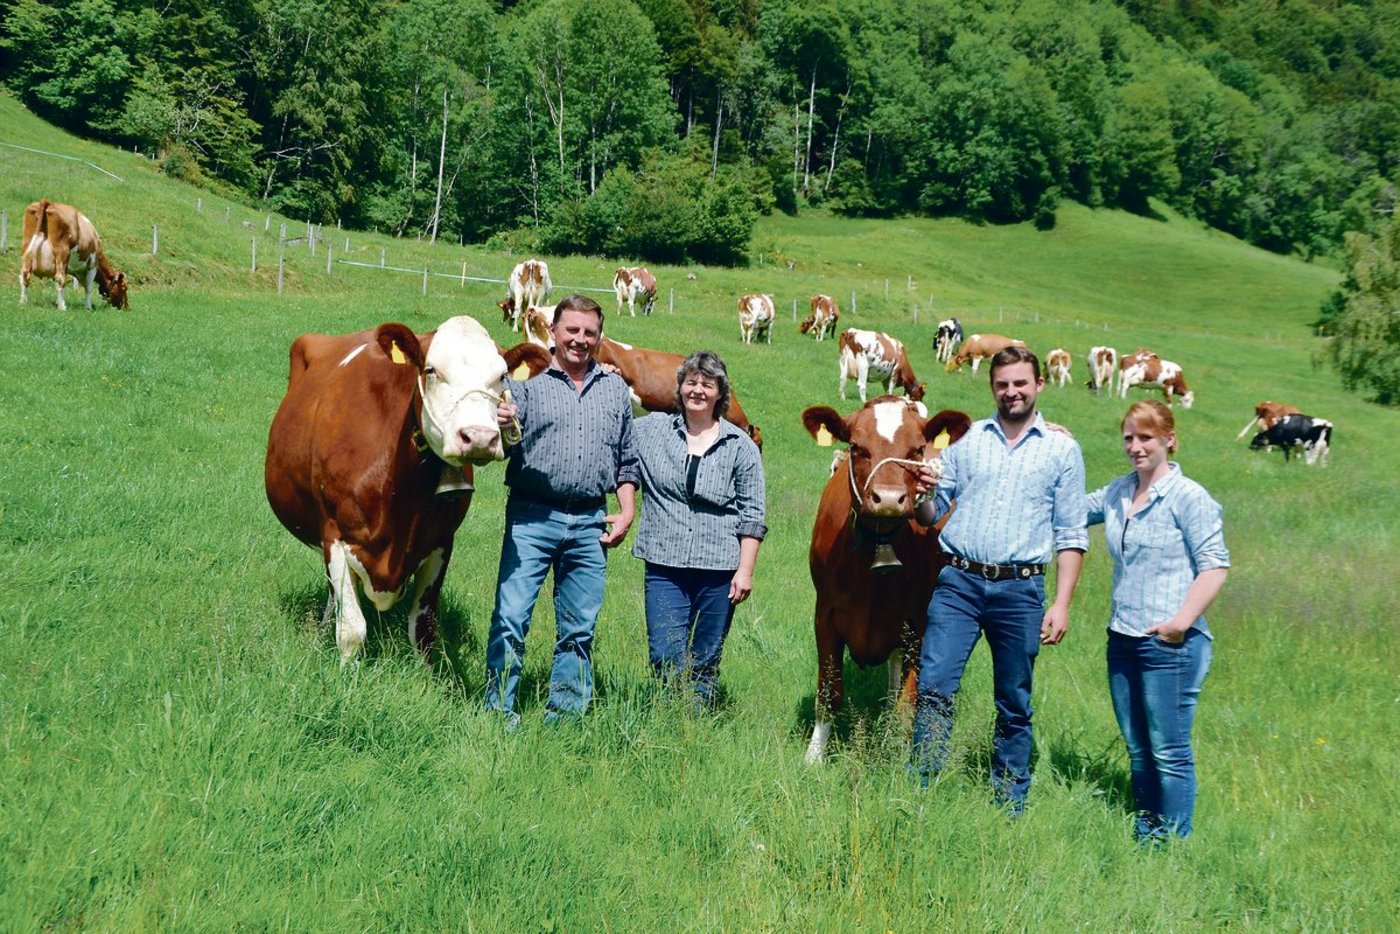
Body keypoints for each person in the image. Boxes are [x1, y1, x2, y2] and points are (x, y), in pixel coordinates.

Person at [911, 345, 1089, 813]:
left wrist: (1062, 602)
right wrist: (921, 495)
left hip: (1021, 590)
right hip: (959, 584)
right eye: (1002, 384)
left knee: (1013, 702)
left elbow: (1071, 533)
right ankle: (920, 789)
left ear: (1038, 386)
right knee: (934, 688)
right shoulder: (967, 441)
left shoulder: (1062, 449)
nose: (1011, 392)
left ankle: (1008, 801)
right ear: (992, 388)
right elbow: (931, 515)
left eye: (1020, 383)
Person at [485, 295, 639, 726]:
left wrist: (626, 510)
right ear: (553, 331)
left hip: (591, 520)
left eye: (589, 332)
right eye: (571, 330)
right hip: (532, 517)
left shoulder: (614, 390)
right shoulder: (525, 386)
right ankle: (498, 713)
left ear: (599, 337)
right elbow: (504, 437)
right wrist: (501, 416)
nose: (580, 340)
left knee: (578, 628)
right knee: (511, 618)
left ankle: (565, 719)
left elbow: (627, 460)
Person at [1087, 400, 1229, 842]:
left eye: (1145, 437)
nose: (1135, 446)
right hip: (1123, 636)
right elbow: (1066, 509)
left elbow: (1215, 566)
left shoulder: (1189, 497)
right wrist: (1056, 441)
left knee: (1168, 751)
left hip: (1170, 644)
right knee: (1137, 748)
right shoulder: (1118, 492)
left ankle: (1173, 842)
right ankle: (1147, 830)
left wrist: (1181, 622)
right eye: (1128, 437)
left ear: (1169, 439)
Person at [631, 351, 766, 707]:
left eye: (708, 384)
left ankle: (695, 722)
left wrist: (745, 570)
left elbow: (753, 514)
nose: (698, 390)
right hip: (664, 565)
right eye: (691, 382)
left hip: (720, 568)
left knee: (705, 657)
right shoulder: (651, 430)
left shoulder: (741, 446)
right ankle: (667, 715)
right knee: (664, 653)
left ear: (721, 392)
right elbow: (615, 434)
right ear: (679, 388)